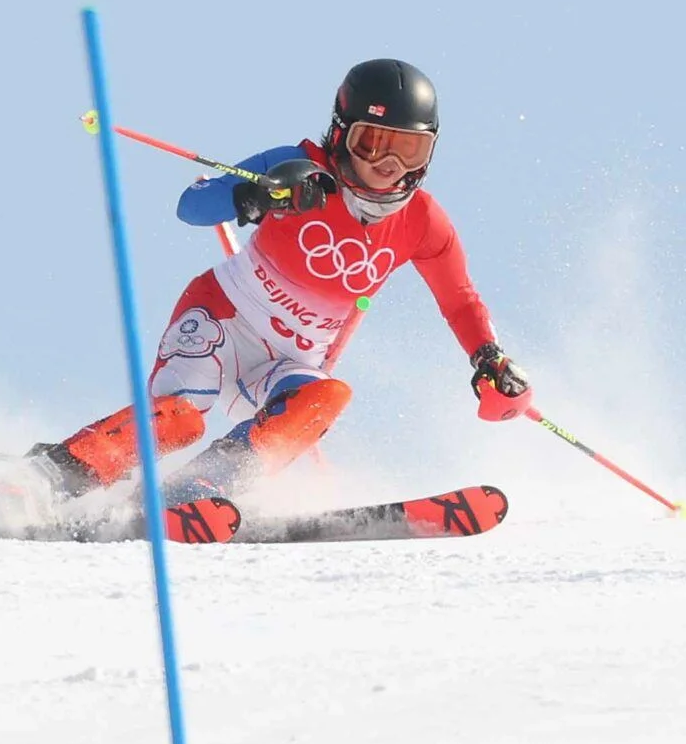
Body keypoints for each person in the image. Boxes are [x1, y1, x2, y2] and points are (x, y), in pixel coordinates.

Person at [30, 58, 536, 505]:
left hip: (291, 359)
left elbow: (460, 300)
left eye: (409, 150)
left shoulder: (424, 222)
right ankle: (51, 475)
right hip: (224, 321)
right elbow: (193, 205)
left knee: (326, 397)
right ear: (341, 135)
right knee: (182, 420)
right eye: (374, 143)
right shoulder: (297, 169)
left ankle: (197, 488)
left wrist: (488, 359)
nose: (389, 166)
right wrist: (261, 197)